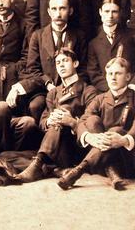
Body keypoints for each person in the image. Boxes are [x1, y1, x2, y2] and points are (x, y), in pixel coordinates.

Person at [58, 57, 135, 191]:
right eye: (110, 74)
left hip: (127, 158)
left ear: (128, 76)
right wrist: (89, 137)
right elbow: (83, 120)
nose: (113, 78)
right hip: (100, 159)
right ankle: (112, 172)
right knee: (92, 120)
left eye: (118, 73)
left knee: (117, 130)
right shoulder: (99, 99)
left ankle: (79, 170)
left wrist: (124, 140)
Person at [16, 48, 96, 182]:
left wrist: (71, 121)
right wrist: (49, 121)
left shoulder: (88, 90)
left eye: (65, 61)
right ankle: (55, 168)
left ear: (75, 63)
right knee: (5, 155)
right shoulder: (53, 93)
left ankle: (39, 164)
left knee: (60, 121)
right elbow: (43, 121)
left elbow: (92, 121)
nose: (62, 65)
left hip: (77, 146)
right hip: (56, 145)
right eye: (58, 63)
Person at [7, 0, 87, 124]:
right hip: (44, 89)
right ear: (49, 12)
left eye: (63, 8)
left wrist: (68, 87)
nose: (58, 14)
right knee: (35, 106)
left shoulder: (79, 36)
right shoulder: (37, 36)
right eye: (54, 9)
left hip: (71, 90)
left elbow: (83, 68)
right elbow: (32, 69)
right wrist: (48, 84)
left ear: (70, 11)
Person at [87, 0, 135, 94]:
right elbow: (94, 73)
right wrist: (112, 90)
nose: (110, 16)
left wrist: (133, 86)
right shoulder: (94, 43)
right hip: (107, 94)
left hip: (133, 90)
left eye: (114, 11)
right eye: (106, 11)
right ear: (100, 12)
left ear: (120, 13)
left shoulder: (133, 35)